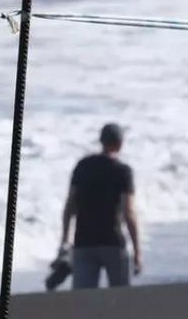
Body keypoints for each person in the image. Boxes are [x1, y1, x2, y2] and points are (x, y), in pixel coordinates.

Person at [59, 123, 142, 289]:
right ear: (120, 144)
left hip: (83, 242)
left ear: (101, 141)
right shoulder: (123, 171)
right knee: (120, 301)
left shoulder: (82, 166)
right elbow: (129, 212)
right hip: (112, 242)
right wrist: (137, 251)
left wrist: (65, 240)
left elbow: (70, 206)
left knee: (84, 303)